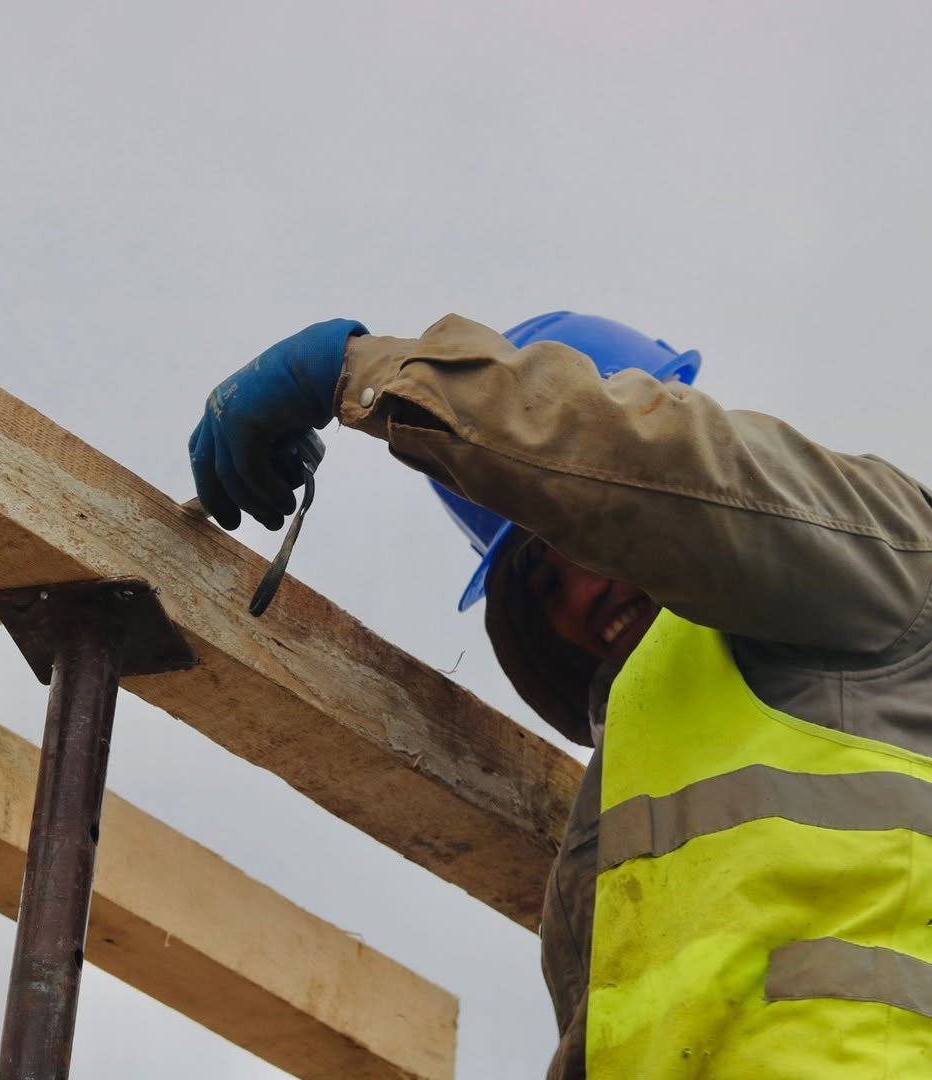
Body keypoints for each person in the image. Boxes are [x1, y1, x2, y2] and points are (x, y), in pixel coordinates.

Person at [189, 312, 932, 1078]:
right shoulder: (613, 822)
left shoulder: (876, 562)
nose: (580, 586)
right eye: (543, 576)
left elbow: (647, 462)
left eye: (583, 535)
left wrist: (360, 371)